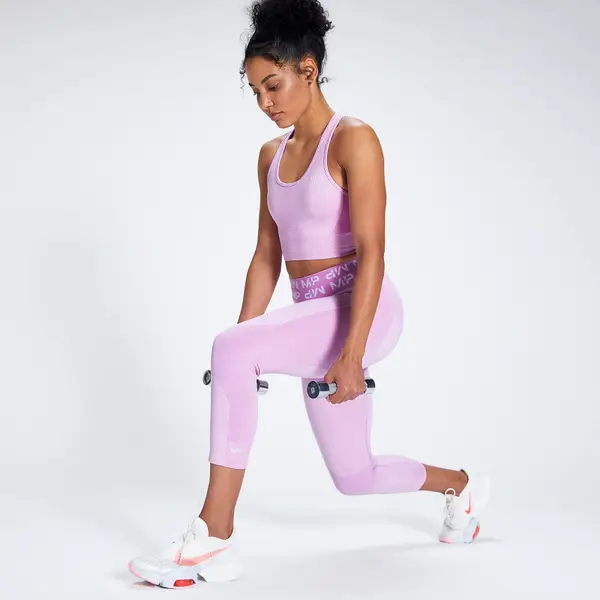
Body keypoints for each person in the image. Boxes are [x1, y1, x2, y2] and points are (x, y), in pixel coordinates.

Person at [128, 0, 491, 589]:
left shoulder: (354, 140)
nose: (265, 103)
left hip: (366, 310)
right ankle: (462, 486)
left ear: (309, 69)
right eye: (255, 92)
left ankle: (213, 536)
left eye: (273, 86)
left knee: (233, 348)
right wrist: (242, 339)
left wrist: (351, 353)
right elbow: (266, 255)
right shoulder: (270, 157)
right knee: (354, 475)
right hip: (314, 316)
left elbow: (373, 251)